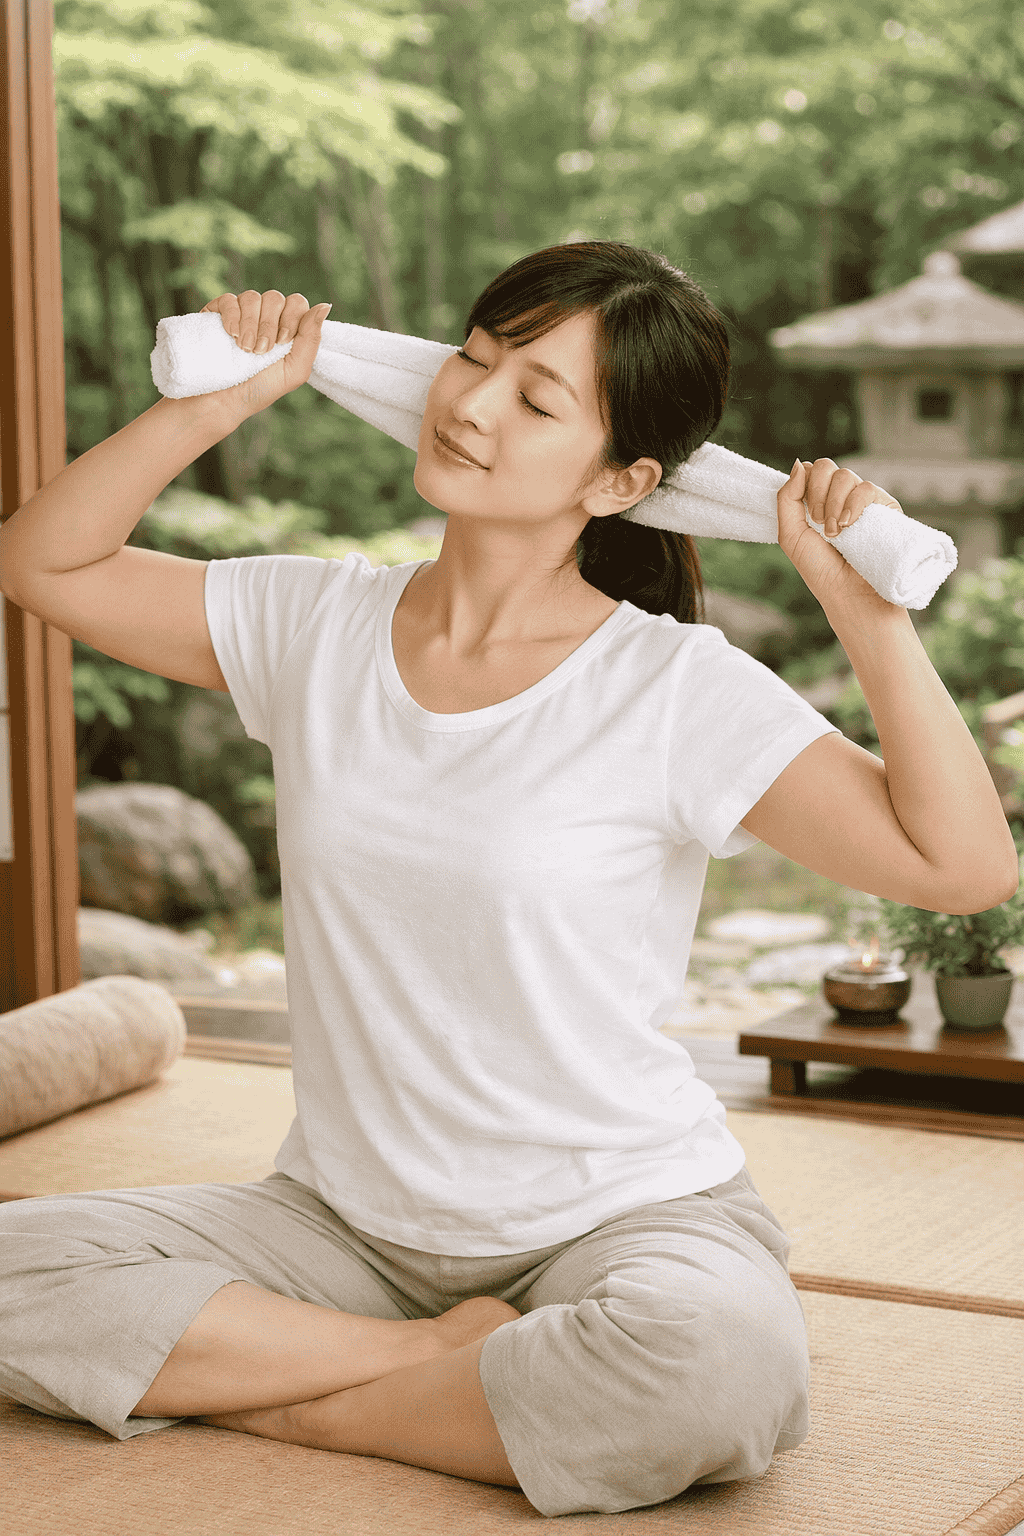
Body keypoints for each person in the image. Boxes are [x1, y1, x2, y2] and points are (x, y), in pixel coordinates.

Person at [0, 242, 1015, 1519]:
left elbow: (964, 869)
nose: (469, 404)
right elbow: (44, 563)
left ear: (623, 480)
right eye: (472, 360)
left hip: (618, 1221)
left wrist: (867, 616)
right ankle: (439, 1370)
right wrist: (216, 400)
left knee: (713, 1373)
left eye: (535, 398)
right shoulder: (315, 627)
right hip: (339, 1225)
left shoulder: (669, 689)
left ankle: (295, 1386)